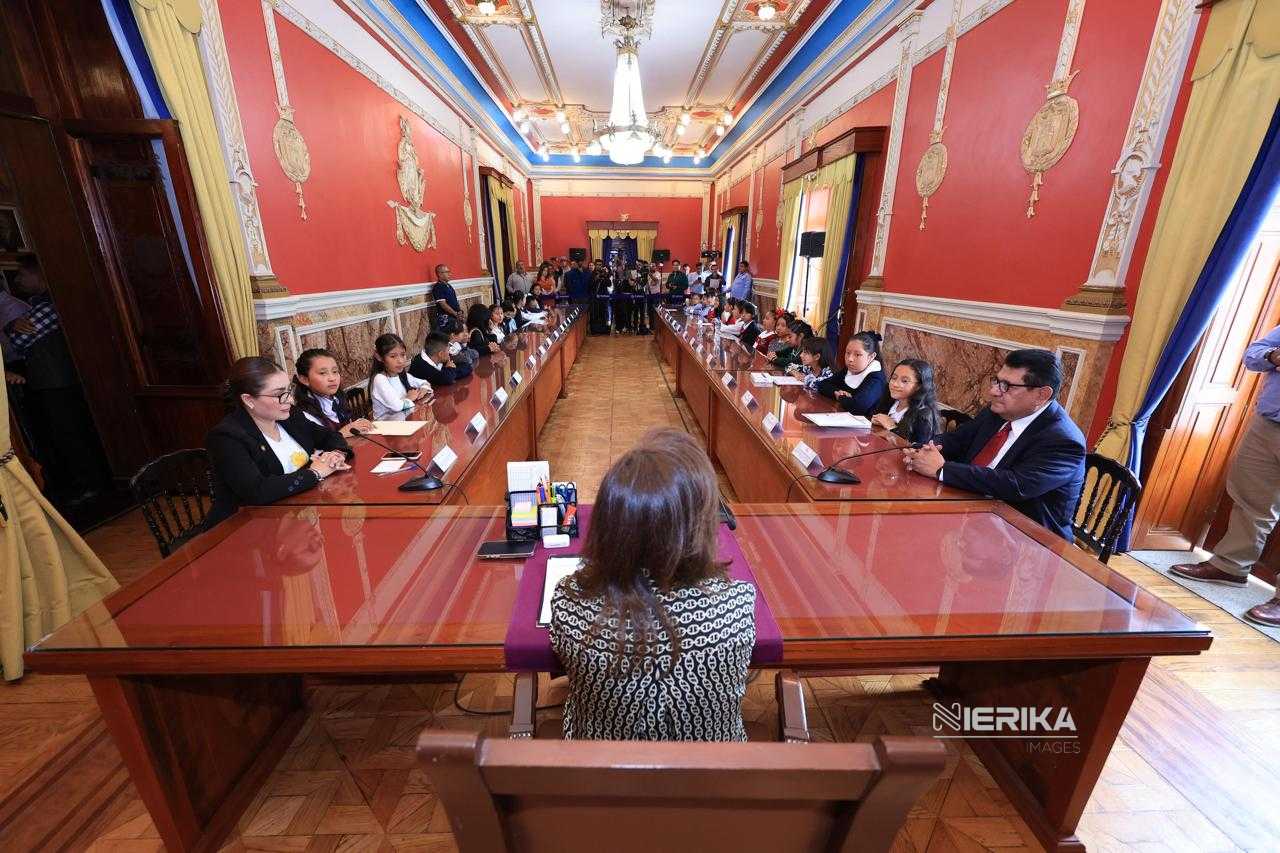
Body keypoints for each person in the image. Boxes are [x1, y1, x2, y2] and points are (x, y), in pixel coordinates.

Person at [549, 427, 756, 741]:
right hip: (712, 769)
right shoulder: (738, 604)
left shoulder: (569, 602)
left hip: (599, 765)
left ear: (608, 522)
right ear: (698, 524)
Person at [901, 349, 1086, 541]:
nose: (993, 391)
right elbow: (957, 440)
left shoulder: (1064, 441)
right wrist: (922, 450)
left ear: (1042, 395)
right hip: (970, 516)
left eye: (1007, 386)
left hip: (1027, 540)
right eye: (996, 381)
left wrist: (941, 469)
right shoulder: (997, 412)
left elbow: (1015, 485)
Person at [1171, 326, 1280, 627]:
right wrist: (1274, 356)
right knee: (1251, 499)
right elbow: (1252, 355)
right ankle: (1231, 566)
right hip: (1268, 424)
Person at [3, 256, 109, 505]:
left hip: (59, 380)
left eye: (22, 274)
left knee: (70, 433)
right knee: (65, 434)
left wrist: (10, 329)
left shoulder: (50, 302)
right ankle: (87, 482)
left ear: (37, 274)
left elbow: (17, 341)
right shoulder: (37, 303)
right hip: (52, 379)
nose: (17, 280)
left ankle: (92, 484)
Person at [206, 356, 352, 526]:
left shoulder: (291, 416)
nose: (289, 399)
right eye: (278, 394)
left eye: (289, 390)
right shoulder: (227, 436)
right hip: (248, 526)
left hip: (299, 512)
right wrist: (315, 473)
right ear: (248, 400)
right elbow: (257, 491)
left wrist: (336, 455)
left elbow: (330, 436)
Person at [292, 348, 373, 437]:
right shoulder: (304, 415)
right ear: (305, 379)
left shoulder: (337, 399)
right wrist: (341, 434)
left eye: (335, 371)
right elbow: (314, 444)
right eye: (323, 373)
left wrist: (359, 423)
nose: (332, 378)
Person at [871, 358, 942, 445]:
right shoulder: (890, 400)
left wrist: (891, 427)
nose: (895, 384)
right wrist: (875, 421)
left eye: (904, 381)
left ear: (919, 386)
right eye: (894, 378)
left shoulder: (923, 415)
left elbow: (918, 449)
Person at [816, 331, 887, 416]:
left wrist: (841, 397)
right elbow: (822, 385)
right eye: (848, 353)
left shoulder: (876, 379)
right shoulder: (849, 369)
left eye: (857, 355)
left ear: (871, 357)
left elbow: (858, 407)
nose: (850, 359)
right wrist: (837, 392)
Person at [368, 332, 431, 419]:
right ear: (379, 357)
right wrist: (409, 398)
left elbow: (425, 383)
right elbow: (398, 407)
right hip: (386, 425)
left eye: (403, 355)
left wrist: (423, 389)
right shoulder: (379, 379)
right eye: (393, 356)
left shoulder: (401, 375)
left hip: (402, 420)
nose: (400, 361)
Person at [430, 263, 463, 329]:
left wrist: (459, 311)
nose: (450, 274)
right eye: (447, 272)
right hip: (446, 319)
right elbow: (443, 305)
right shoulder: (438, 287)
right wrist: (455, 314)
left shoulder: (449, 286)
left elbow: (454, 301)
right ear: (440, 274)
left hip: (454, 316)